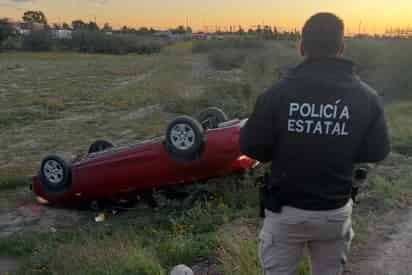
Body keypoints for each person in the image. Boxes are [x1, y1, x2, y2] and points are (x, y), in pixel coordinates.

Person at [239, 12, 390, 275]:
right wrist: (341, 142)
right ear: (341, 48)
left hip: (286, 212)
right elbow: (377, 151)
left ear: (302, 47)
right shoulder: (367, 97)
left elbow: (251, 148)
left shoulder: (276, 95)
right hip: (334, 212)